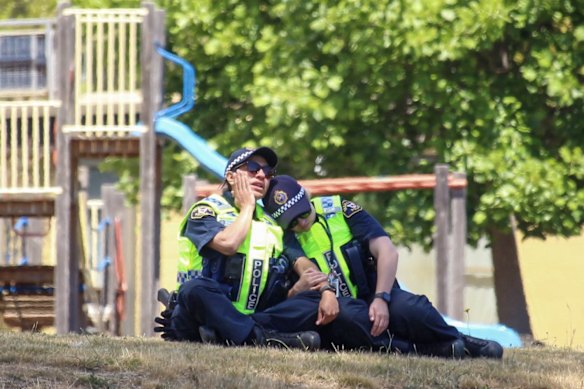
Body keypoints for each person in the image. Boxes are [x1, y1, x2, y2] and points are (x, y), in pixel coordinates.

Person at [154, 147, 372, 350]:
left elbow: (303, 264)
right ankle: (262, 339)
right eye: (252, 169)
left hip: (255, 316)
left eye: (268, 173)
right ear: (231, 176)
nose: (261, 176)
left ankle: (236, 334)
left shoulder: (273, 222)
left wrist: (325, 291)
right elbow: (228, 244)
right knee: (195, 289)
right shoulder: (206, 210)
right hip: (201, 315)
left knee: (310, 302)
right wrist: (247, 206)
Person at [264, 175, 504, 359]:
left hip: (375, 292)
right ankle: (426, 350)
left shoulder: (340, 209)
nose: (302, 223)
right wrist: (327, 291)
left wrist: (381, 298)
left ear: (307, 196)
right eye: (292, 222)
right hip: (339, 307)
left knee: (411, 308)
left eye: (303, 213)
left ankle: (459, 340)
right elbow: (306, 268)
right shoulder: (285, 237)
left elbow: (386, 250)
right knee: (351, 318)